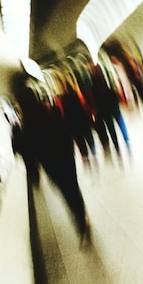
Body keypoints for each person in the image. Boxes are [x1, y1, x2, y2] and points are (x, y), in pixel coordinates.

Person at [10, 70, 91, 247]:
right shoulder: (50, 110)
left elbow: (22, 152)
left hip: (51, 165)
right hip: (66, 157)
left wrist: (16, 135)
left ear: (21, 105)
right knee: (73, 187)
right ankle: (82, 216)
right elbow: (66, 131)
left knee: (66, 191)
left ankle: (81, 223)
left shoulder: (24, 127)